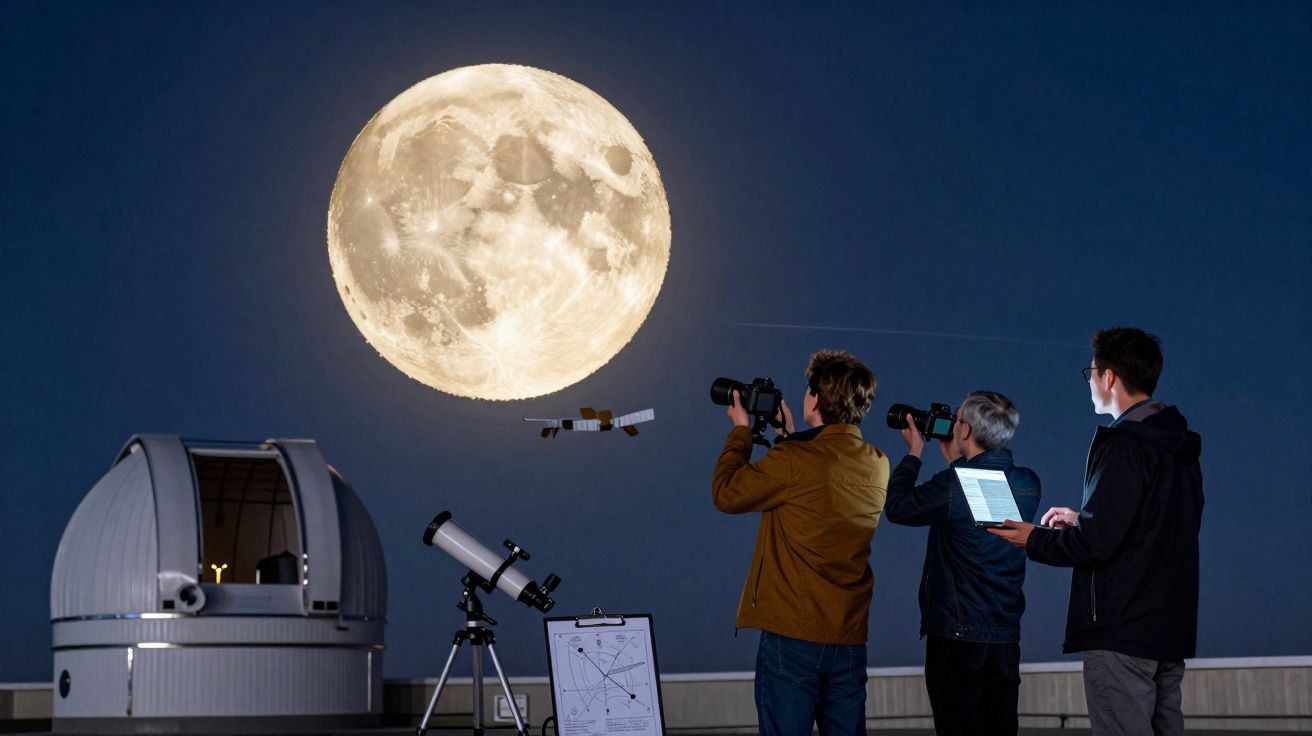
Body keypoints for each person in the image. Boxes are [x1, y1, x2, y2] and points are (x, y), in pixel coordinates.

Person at [989, 328, 1203, 736]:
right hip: (1168, 629)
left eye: (1090, 372)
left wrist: (1031, 537)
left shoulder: (1124, 445)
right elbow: (1161, 526)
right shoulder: (1179, 447)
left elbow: (1094, 544)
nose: (1088, 381)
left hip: (1122, 631)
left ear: (1108, 377)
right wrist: (1085, 515)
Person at [711, 350, 889, 736]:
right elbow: (819, 488)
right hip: (849, 636)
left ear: (815, 398)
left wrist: (742, 430)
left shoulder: (793, 459)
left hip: (793, 634)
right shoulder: (878, 462)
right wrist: (787, 438)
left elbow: (726, 494)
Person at [885, 391, 1040, 736]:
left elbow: (898, 507)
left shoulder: (954, 486)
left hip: (957, 638)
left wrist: (914, 451)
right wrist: (960, 460)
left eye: (957, 422)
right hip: (1004, 638)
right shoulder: (1028, 484)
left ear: (966, 431)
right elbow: (976, 503)